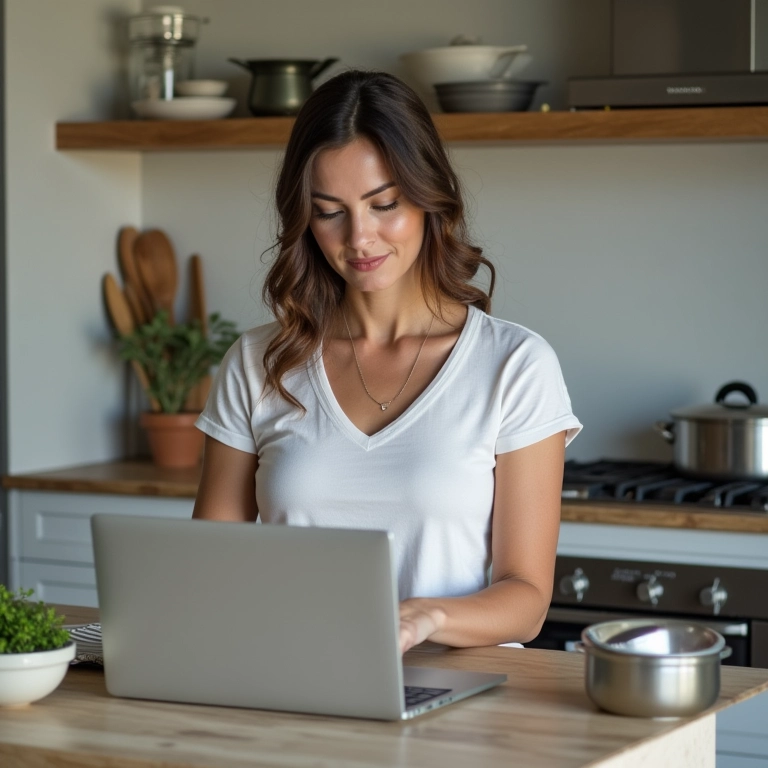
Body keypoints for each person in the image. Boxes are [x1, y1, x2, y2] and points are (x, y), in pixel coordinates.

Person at [192, 69, 582, 653]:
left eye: (385, 204)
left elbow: (525, 598)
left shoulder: (516, 365)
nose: (360, 238)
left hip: (461, 706)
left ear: (429, 196)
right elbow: (205, 568)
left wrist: (422, 619)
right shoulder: (257, 361)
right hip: (292, 683)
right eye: (329, 211)